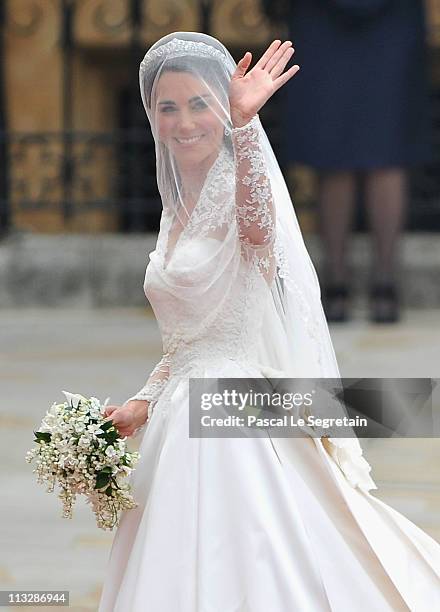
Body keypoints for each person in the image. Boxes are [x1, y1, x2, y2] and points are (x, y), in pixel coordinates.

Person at [98, 32, 440, 611]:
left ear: (222, 108)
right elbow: (189, 342)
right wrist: (143, 401)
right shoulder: (175, 207)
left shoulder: (239, 182)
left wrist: (246, 125)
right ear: (151, 117)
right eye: (167, 108)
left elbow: (258, 229)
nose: (184, 122)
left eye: (199, 104)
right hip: (182, 410)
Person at [273, 0, 432, 323]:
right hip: (379, 23)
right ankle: (380, 285)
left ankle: (339, 283)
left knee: (356, 150)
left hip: (348, 24)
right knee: (371, 149)